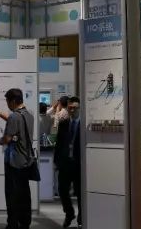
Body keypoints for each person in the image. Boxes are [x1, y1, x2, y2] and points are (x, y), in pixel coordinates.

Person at [0, 88, 35, 229]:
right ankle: (25, 222)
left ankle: (12, 224)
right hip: (26, 160)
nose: (7, 104)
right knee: (24, 193)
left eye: (8, 101)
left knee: (12, 195)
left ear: (13, 101)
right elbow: (14, 120)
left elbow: (7, 138)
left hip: (14, 162)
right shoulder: (29, 114)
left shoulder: (15, 117)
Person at [54, 97, 82, 228]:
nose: (71, 110)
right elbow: (59, 143)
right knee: (62, 190)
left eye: (74, 108)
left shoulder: (83, 124)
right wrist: (56, 160)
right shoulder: (64, 123)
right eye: (70, 107)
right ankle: (69, 213)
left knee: (80, 192)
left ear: (80, 108)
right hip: (65, 163)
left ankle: (82, 217)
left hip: (78, 164)